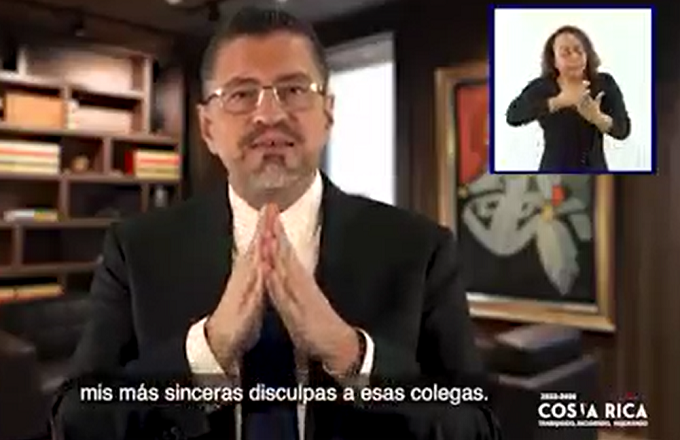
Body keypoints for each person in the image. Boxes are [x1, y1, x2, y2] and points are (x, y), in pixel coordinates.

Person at [51, 7, 500, 440]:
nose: (269, 114)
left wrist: (351, 354)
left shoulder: (420, 249)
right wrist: (209, 350)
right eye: (241, 94)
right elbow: (76, 420)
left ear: (327, 113)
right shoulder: (137, 249)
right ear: (207, 128)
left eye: (294, 89)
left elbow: (477, 424)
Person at [505, 25, 631, 172]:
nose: (574, 57)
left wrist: (598, 118)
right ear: (554, 60)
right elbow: (513, 116)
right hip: (553, 170)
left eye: (579, 51)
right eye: (565, 53)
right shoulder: (542, 86)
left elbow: (623, 130)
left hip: (594, 170)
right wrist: (559, 101)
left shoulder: (604, 83)